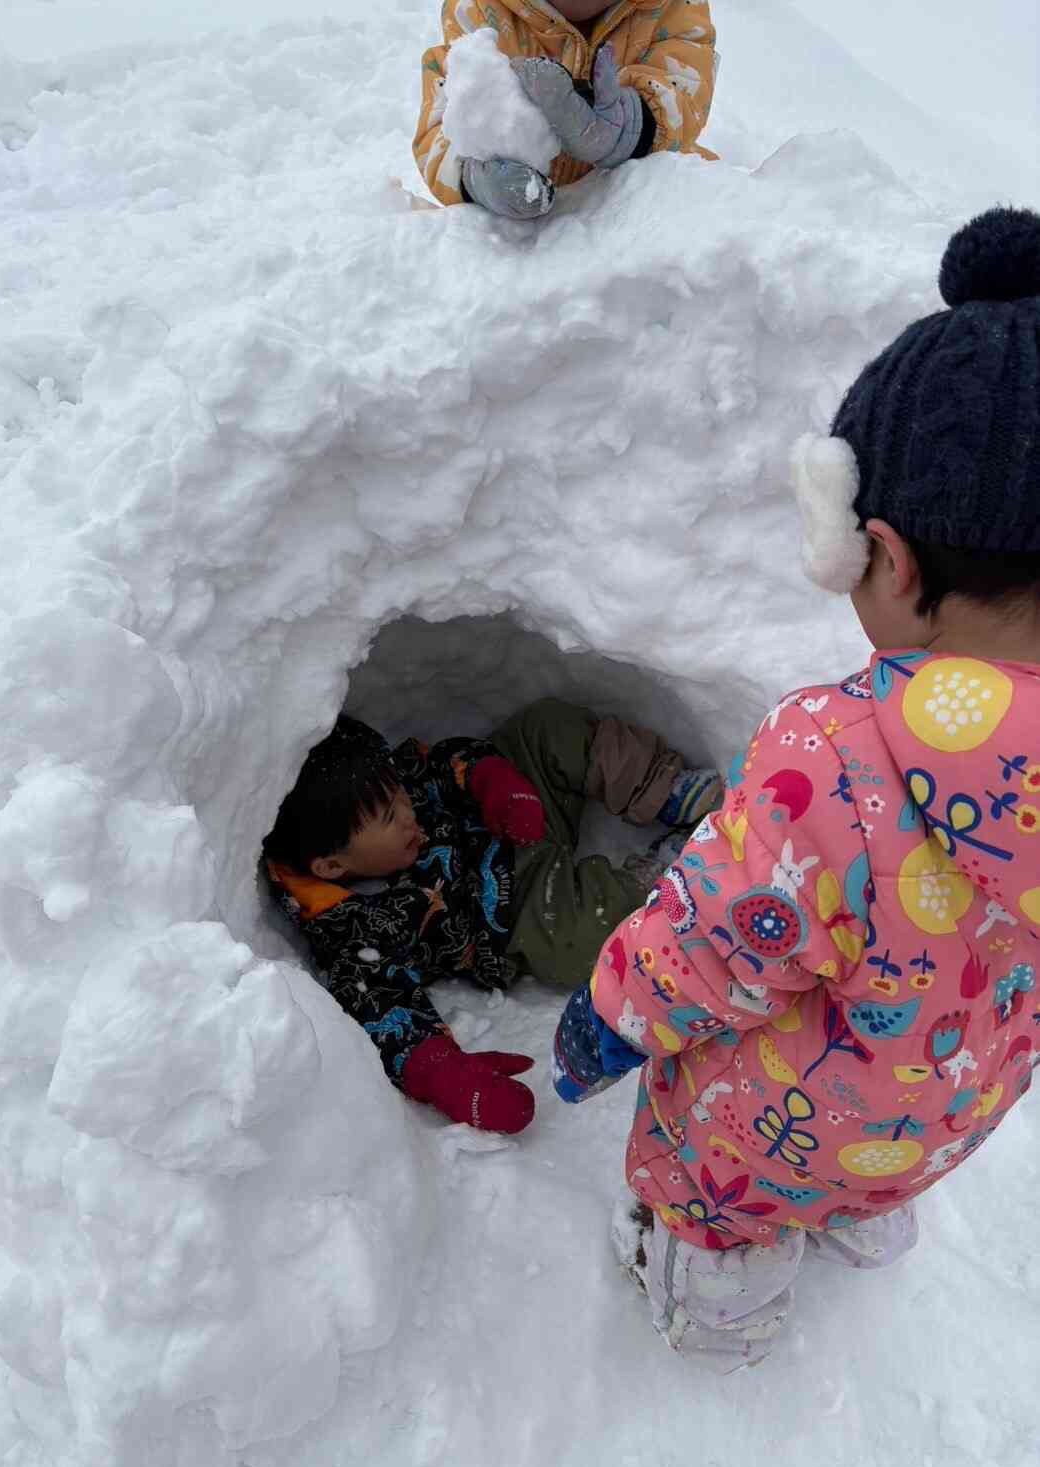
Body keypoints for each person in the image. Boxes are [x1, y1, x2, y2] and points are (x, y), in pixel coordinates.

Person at [551, 206, 1040, 1370]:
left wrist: (606, 1016)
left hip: (776, 1120)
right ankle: (865, 1220)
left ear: (890, 557)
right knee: (882, 1147)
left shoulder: (838, 760)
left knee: (716, 1183)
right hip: (950, 1100)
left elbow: (714, 935)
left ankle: (718, 1296)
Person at [263, 700, 722, 1134]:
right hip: (512, 912)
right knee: (580, 942)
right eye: (387, 817)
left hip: (512, 814)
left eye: (399, 793)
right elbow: (385, 1013)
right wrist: (447, 1076)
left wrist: (494, 782)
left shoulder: (378, 784)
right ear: (332, 866)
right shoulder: (353, 933)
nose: (406, 812)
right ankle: (664, 876)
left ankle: (660, 787)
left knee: (545, 728)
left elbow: (445, 762)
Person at [414, 0, 717, 219]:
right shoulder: (480, 10)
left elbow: (686, 85)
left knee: (710, 213)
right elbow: (443, 123)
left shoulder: (671, 8)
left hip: (640, 209)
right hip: (525, 238)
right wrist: (475, 179)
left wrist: (631, 125)